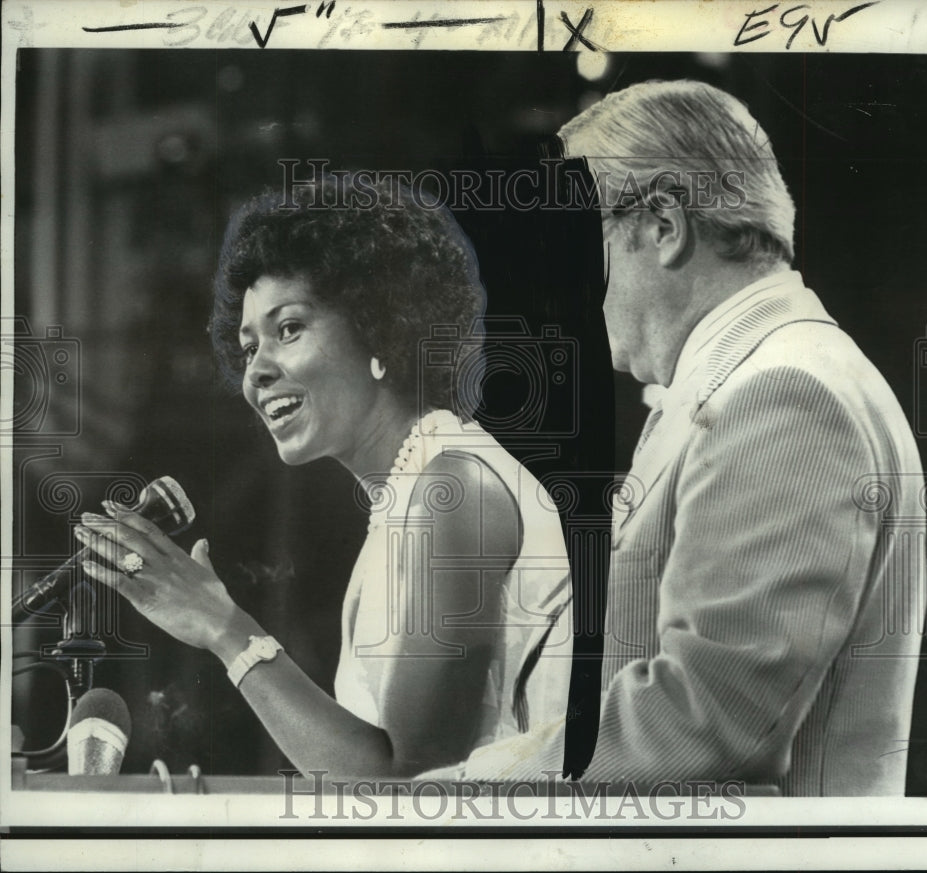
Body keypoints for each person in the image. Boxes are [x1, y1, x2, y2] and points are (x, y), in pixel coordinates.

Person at [439, 79, 926, 796]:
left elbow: (706, 723)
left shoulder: (783, 394)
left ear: (664, 225)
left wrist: (462, 789)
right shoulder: (746, 384)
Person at [75, 176, 573, 778]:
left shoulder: (454, 491)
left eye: (288, 329)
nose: (255, 372)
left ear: (380, 324)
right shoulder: (416, 494)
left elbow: (403, 792)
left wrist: (225, 629)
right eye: (248, 345)